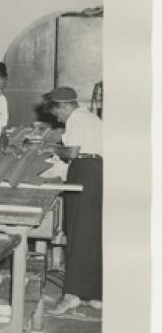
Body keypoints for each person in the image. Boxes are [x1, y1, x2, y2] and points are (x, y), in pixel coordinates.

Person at [42, 86, 103, 315]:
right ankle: (94, 295)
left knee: (77, 233)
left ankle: (71, 296)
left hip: (86, 171)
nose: (57, 118)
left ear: (65, 105)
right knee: (93, 234)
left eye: (57, 113)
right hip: (97, 171)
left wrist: (51, 147)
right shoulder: (89, 117)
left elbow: (73, 153)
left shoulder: (76, 118)